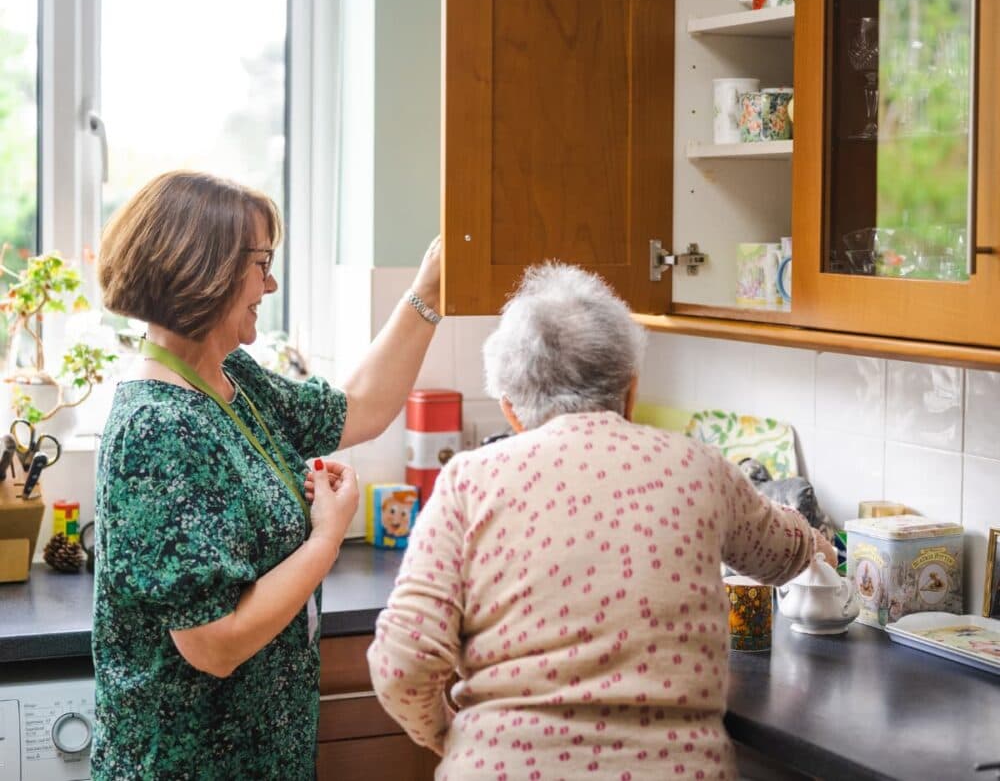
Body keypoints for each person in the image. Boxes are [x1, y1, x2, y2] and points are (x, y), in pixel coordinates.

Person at [367, 262, 836, 781]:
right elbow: (783, 550)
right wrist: (819, 545)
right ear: (630, 392)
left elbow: (401, 663)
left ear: (511, 411)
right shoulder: (698, 467)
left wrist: (448, 734)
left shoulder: (468, 482)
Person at [92, 169, 442, 780]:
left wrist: (427, 296)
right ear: (205, 271)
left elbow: (357, 409)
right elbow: (214, 644)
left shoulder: (234, 379)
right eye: (261, 263)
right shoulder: (158, 428)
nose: (270, 282)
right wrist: (326, 538)